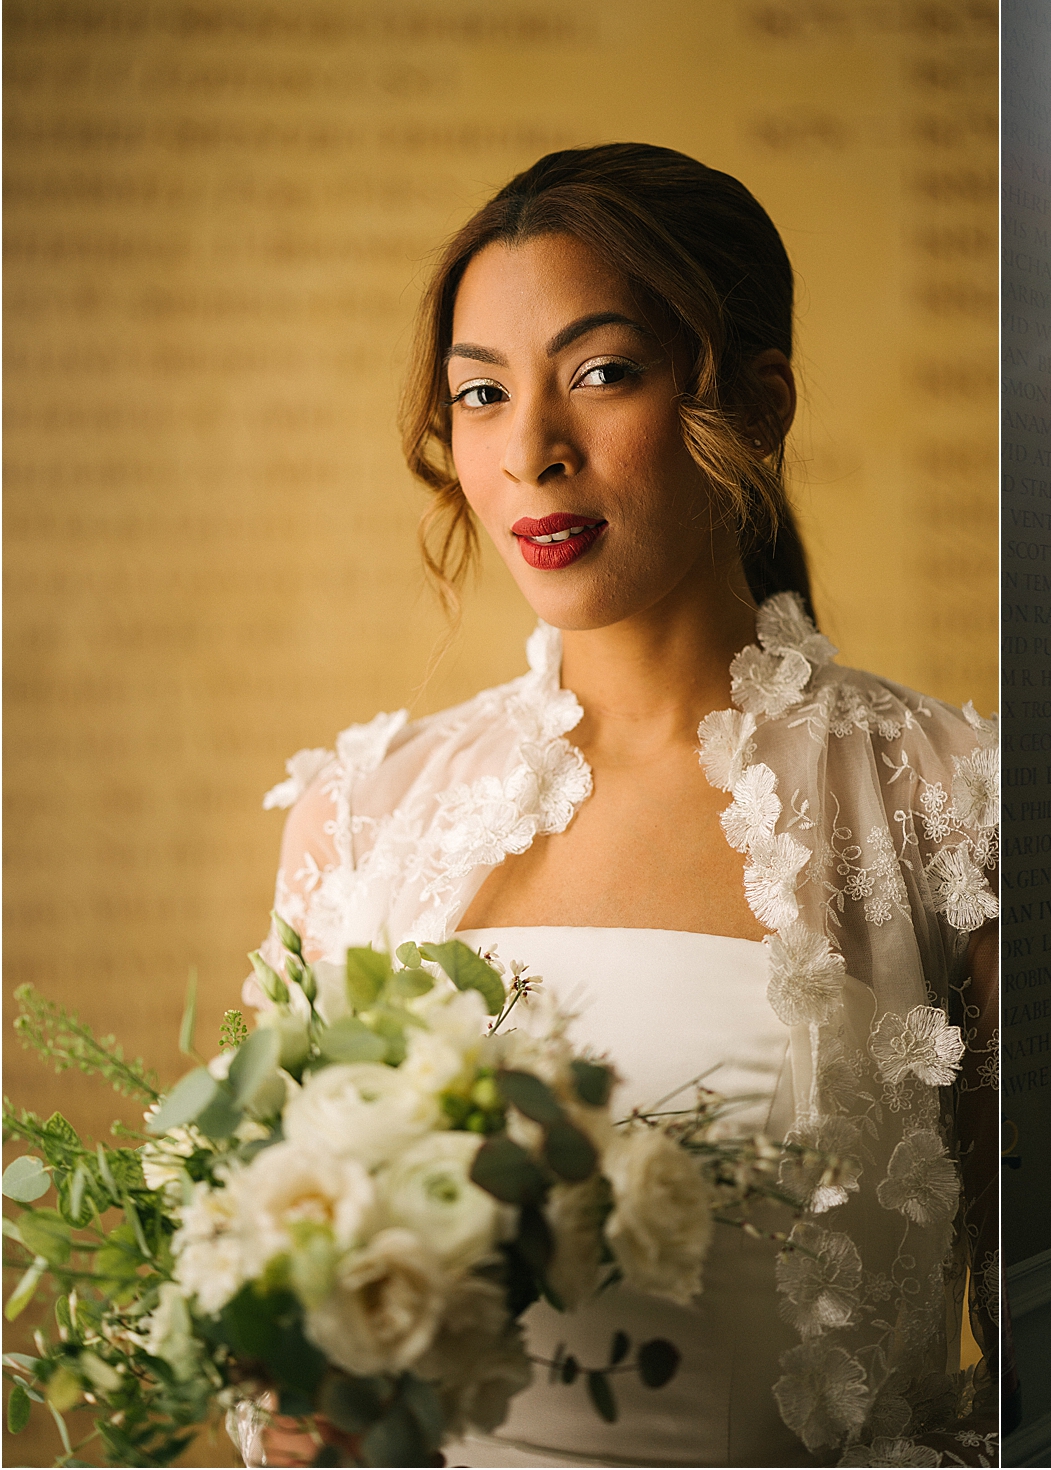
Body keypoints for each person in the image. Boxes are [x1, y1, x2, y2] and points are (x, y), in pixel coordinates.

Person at [253, 144, 998, 1466]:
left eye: (600, 374)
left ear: (751, 403)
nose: (533, 450)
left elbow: (1046, 1360)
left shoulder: (945, 811)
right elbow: (278, 1325)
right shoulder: (360, 823)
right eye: (481, 395)